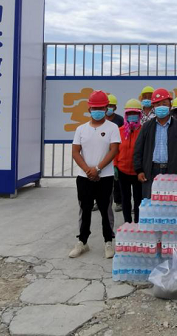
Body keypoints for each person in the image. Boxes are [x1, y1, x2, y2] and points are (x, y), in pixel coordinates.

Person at [69, 90, 121, 259]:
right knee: (85, 209)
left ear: (106, 108)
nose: (98, 111)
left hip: (105, 177)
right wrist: (88, 170)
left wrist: (97, 168)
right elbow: (75, 151)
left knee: (106, 210)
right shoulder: (81, 129)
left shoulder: (112, 128)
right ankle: (82, 241)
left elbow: (114, 150)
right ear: (89, 109)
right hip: (84, 177)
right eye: (95, 108)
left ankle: (108, 242)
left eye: (101, 108)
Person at [133, 88, 177, 199]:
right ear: (153, 106)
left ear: (170, 105)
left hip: (173, 171)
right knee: (151, 203)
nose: (161, 107)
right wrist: (139, 170)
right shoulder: (147, 126)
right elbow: (138, 150)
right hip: (151, 171)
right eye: (157, 104)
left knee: (170, 203)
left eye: (164, 103)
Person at [114, 98, 143, 224]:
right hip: (122, 170)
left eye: (135, 113)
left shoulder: (143, 130)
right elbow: (115, 149)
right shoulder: (119, 131)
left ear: (139, 115)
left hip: (138, 172)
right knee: (125, 198)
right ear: (126, 115)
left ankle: (137, 222)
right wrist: (115, 165)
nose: (132, 116)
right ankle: (127, 222)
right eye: (129, 113)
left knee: (138, 199)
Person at [106, 94, 124, 212]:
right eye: (107, 105)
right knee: (102, 179)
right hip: (103, 153)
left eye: (111, 106)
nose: (109, 108)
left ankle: (119, 202)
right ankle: (99, 201)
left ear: (115, 107)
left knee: (117, 179)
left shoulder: (120, 120)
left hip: (116, 152)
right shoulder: (100, 120)